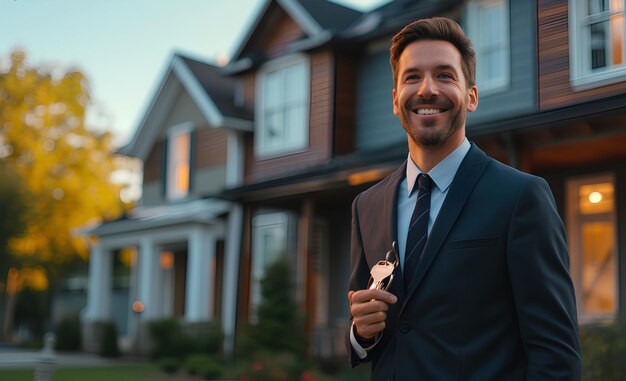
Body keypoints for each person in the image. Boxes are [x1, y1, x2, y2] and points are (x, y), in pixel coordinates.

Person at [346, 17, 581, 380]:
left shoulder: (521, 197)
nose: (427, 89)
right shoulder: (367, 206)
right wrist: (360, 333)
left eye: (444, 75)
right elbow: (371, 331)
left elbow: (555, 354)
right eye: (412, 77)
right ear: (395, 100)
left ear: (471, 96)